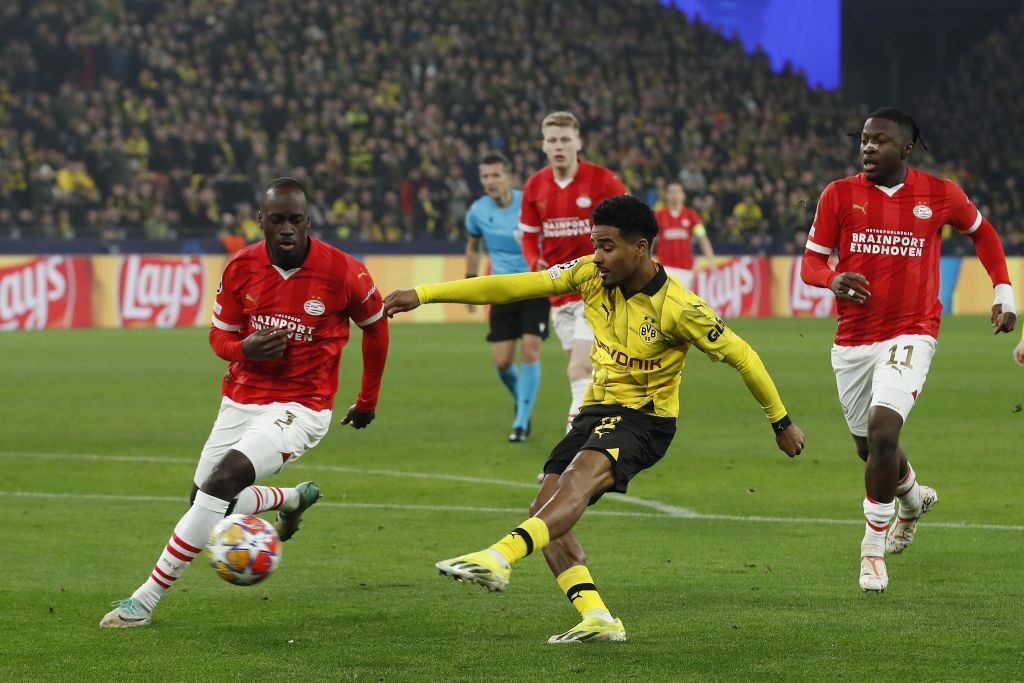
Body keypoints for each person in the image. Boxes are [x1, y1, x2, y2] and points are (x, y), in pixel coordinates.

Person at [384, 195, 804, 643]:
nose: (597, 256)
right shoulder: (588, 275)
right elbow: (513, 286)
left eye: (607, 246)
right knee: (543, 509)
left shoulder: (680, 308)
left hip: (646, 420)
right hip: (597, 409)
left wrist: (780, 422)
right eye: (594, 244)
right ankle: (598, 617)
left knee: (576, 482)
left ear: (640, 248)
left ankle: (499, 555)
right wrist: (423, 294)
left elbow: (744, 357)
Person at [100, 178, 390, 627]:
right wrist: (244, 350)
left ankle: (144, 600)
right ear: (262, 221)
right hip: (241, 399)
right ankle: (290, 499)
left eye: (296, 219)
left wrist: (367, 399)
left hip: (302, 405)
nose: (287, 229)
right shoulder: (241, 268)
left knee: (221, 483)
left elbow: (376, 327)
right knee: (204, 500)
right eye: (278, 220)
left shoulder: (344, 271)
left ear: (308, 220)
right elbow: (220, 335)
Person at [801, 108, 1016, 593]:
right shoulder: (839, 195)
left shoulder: (939, 194)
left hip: (913, 331)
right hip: (853, 339)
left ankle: (872, 551)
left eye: (880, 141)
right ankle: (913, 498)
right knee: (869, 447)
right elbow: (811, 264)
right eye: (864, 140)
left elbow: (982, 232)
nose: (868, 148)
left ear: (906, 148)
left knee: (882, 431)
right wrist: (833, 278)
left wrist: (1004, 291)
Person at [519, 111, 627, 431]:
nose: (559, 146)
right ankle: (606, 440)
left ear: (578, 142)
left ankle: (569, 456)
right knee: (586, 375)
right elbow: (527, 234)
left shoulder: (604, 181)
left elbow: (634, 224)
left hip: (598, 288)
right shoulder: (535, 186)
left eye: (565, 139)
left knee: (578, 371)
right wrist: (532, 261)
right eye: (552, 140)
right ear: (543, 146)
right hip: (559, 294)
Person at [465, 152, 549, 442]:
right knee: (502, 362)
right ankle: (522, 399)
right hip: (500, 289)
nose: (490, 181)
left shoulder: (529, 203)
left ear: (508, 177)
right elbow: (473, 246)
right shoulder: (477, 211)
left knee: (530, 350)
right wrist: (470, 284)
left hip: (533, 286)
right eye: (485, 176)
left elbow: (546, 238)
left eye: (496, 175)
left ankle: (521, 423)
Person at [654, 180, 717, 289]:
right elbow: (651, 240)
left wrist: (711, 261)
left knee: (685, 304)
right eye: (671, 192)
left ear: (683, 195)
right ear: (666, 195)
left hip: (686, 270)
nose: (675, 195)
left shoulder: (691, 216)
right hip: (665, 269)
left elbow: (702, 238)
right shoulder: (658, 216)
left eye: (677, 192)